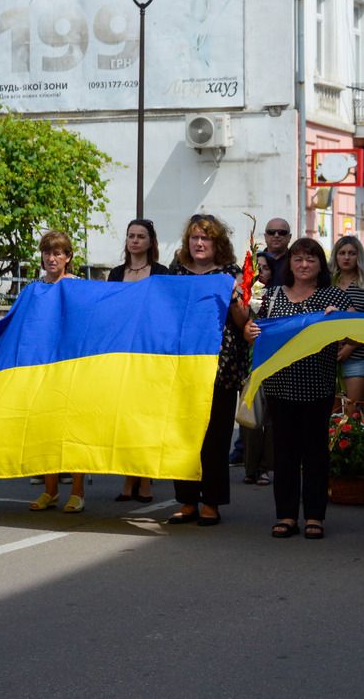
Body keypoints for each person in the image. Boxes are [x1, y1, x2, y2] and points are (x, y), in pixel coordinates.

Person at [245, 238, 351, 540]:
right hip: (280, 386)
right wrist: (249, 330)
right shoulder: (272, 295)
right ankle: (286, 515)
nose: (304, 265)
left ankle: (315, 515)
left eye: (311, 259)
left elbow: (354, 330)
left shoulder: (334, 296)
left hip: (318, 386)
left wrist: (338, 321)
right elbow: (252, 330)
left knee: (316, 453)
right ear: (289, 264)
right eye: (298, 259)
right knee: (284, 453)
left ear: (320, 265)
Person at [166, 214, 250, 527]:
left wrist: (233, 302)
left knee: (215, 437)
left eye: (206, 238)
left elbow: (244, 325)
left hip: (221, 366)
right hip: (181, 364)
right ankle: (187, 501)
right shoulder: (177, 272)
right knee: (182, 434)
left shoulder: (230, 273)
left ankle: (211, 502)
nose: (199, 243)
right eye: (194, 238)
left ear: (217, 243)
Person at [28, 230, 88, 513]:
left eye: (58, 253)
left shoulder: (78, 286)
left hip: (73, 365)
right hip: (43, 366)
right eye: (47, 253)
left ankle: (77, 492)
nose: (51, 258)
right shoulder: (36, 288)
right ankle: (50, 490)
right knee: (46, 429)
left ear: (68, 257)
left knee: (73, 429)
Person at [109, 219, 168, 503]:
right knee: (125, 418)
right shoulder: (116, 273)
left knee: (145, 417)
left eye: (141, 236)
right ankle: (126, 480)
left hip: (149, 351)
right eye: (131, 235)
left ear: (150, 241)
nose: (135, 241)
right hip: (121, 351)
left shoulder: (160, 273)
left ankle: (145, 481)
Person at [329, 235, 364, 409]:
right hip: (328, 356)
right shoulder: (327, 282)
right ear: (335, 256)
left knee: (353, 411)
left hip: (357, 356)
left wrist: (349, 348)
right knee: (332, 414)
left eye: (352, 253)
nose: (346, 257)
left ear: (358, 256)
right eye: (342, 253)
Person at [241, 252, 275, 487]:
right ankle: (250, 467)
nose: (260, 271)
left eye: (264, 267)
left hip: (273, 362)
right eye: (256, 267)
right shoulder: (242, 297)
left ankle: (266, 467)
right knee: (249, 418)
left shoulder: (277, 296)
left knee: (271, 420)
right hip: (248, 363)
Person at [261, 218, 292, 288]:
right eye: (271, 232)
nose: (276, 235)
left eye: (282, 232)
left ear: (289, 237)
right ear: (265, 237)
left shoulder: (296, 262)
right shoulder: (253, 262)